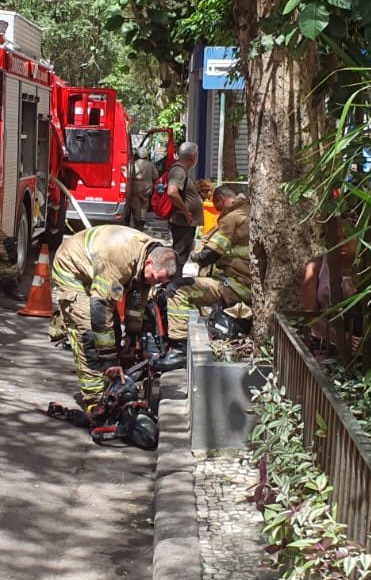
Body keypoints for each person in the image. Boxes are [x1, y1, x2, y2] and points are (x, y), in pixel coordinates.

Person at [49, 225, 179, 420]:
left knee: (113, 332)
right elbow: (100, 307)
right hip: (73, 268)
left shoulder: (148, 263)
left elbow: (136, 302)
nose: (153, 283)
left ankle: (109, 383)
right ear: (149, 262)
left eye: (158, 281)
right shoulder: (121, 259)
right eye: (153, 277)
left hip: (100, 271)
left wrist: (131, 336)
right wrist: (110, 359)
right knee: (90, 337)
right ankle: (95, 401)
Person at [163, 185, 251, 356]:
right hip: (245, 284)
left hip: (236, 287)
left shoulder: (232, 219)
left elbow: (209, 254)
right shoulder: (248, 211)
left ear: (221, 200)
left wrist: (193, 256)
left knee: (178, 289)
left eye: (218, 208)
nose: (219, 213)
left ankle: (179, 347)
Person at [164, 141, 203, 267]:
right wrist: (186, 212)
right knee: (179, 255)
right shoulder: (179, 171)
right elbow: (172, 192)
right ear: (192, 157)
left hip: (185, 222)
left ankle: (174, 277)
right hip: (182, 222)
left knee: (181, 254)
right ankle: (173, 278)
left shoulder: (182, 171)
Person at [128, 148, 158, 229]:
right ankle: (142, 222)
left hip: (135, 187)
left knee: (135, 205)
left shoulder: (134, 164)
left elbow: (129, 175)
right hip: (147, 188)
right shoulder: (151, 165)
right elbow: (155, 176)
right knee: (144, 205)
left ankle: (137, 223)